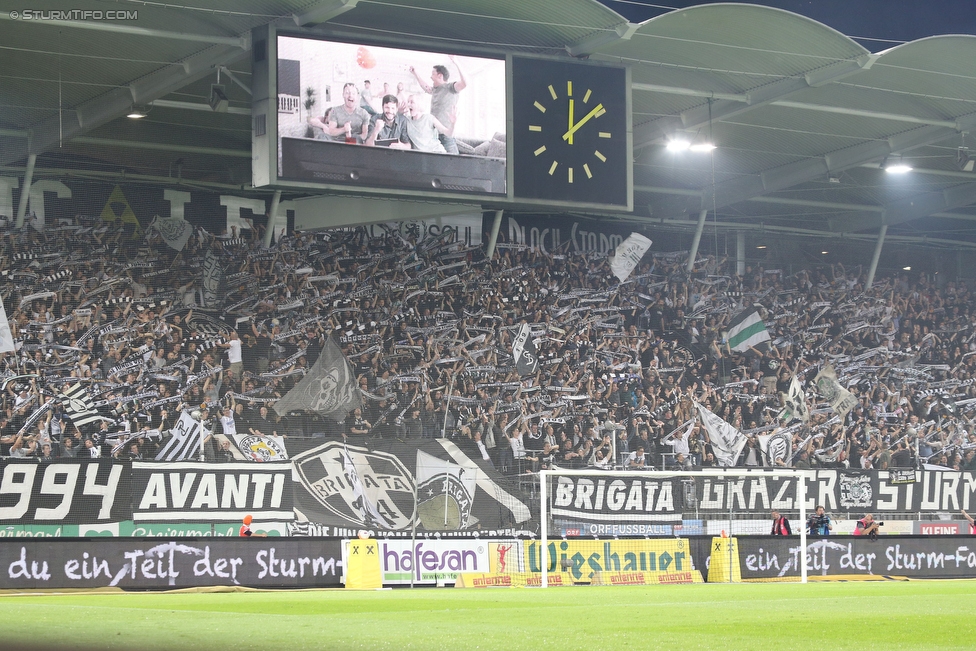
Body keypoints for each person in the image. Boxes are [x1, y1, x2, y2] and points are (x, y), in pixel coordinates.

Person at [409, 55, 466, 154]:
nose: (431, 76)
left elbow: (465, 83)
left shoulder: (451, 87)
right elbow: (425, 87)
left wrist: (456, 62)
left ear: (440, 75)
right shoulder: (435, 89)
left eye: (433, 73)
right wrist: (415, 73)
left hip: (447, 135)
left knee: (454, 164)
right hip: (434, 134)